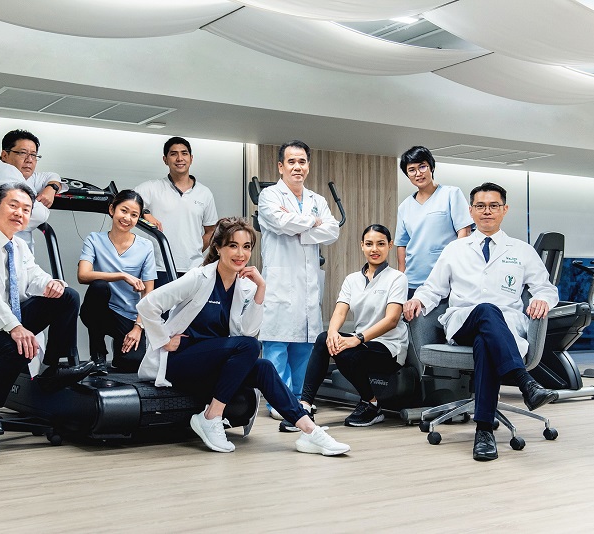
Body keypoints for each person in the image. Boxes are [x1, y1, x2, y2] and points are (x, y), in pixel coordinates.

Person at [136, 217, 350, 456]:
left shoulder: (245, 286)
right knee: (249, 346)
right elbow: (147, 305)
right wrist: (164, 340)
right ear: (218, 248)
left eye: (246, 247)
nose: (240, 253)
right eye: (233, 245)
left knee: (263, 367)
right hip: (181, 362)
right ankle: (211, 416)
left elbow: (248, 332)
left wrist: (261, 289)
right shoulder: (198, 278)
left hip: (214, 363)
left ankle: (310, 431)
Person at [403, 182, 560, 461]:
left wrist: (542, 300)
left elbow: (546, 289)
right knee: (486, 310)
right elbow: (433, 288)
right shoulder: (455, 249)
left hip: (506, 327)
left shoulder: (522, 250)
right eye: (481, 206)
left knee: (485, 342)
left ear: (504, 210)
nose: (487, 211)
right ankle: (525, 382)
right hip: (462, 322)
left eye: (493, 206)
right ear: (471, 210)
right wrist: (419, 300)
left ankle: (484, 432)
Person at [0, 182, 94, 436]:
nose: (19, 213)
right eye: (13, 205)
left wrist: (51, 283)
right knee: (17, 347)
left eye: (26, 209)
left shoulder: (18, 246)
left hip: (13, 319)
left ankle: (52, 369)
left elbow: (34, 275)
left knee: (67, 296)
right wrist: (15, 327)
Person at [292, 224, 408, 430]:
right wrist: (332, 333)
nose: (374, 249)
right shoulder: (352, 280)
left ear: (390, 245)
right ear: (362, 245)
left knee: (347, 352)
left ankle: (371, 405)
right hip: (360, 343)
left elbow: (392, 320)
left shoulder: (397, 278)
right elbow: (340, 312)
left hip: (389, 347)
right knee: (324, 339)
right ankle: (305, 408)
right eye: (369, 244)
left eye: (381, 244)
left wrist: (358, 338)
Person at [257, 140, 340, 424]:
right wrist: (312, 222)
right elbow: (280, 222)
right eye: (291, 162)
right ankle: (278, 402)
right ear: (281, 166)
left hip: (307, 284)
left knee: (305, 345)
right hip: (280, 282)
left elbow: (332, 231)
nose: (297, 167)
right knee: (277, 345)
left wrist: (300, 225)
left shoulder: (317, 199)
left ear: (308, 166)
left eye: (302, 161)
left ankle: (299, 400)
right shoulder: (269, 196)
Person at [78, 190, 156, 374]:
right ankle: (98, 354)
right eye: (124, 211)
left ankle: (120, 350)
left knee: (132, 363)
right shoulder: (94, 239)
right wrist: (121, 275)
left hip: (128, 315)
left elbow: (148, 292)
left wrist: (138, 327)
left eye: (134, 215)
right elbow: (83, 275)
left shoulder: (146, 246)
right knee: (99, 286)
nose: (127, 218)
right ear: (112, 209)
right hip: (99, 310)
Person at [0, 129, 67, 250]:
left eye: (33, 155)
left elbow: (52, 176)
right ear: (5, 155)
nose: (29, 159)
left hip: (5, 249)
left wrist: (52, 188)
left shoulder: (25, 176)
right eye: (23, 153)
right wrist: (41, 206)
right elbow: (38, 215)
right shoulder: (3, 171)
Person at [135, 136, 218, 286]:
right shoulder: (151, 188)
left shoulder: (205, 193)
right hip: (159, 268)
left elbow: (211, 231)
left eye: (184, 153)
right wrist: (145, 213)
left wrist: (194, 250)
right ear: (165, 160)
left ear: (191, 158)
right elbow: (124, 203)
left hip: (194, 269)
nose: (180, 158)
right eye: (173, 154)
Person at [395, 146, 473, 298]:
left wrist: (457, 268)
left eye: (422, 167)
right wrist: (401, 279)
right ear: (407, 174)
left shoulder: (451, 194)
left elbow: (464, 232)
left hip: (446, 279)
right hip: (413, 280)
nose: (418, 173)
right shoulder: (404, 207)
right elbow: (402, 245)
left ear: (431, 167)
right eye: (411, 170)